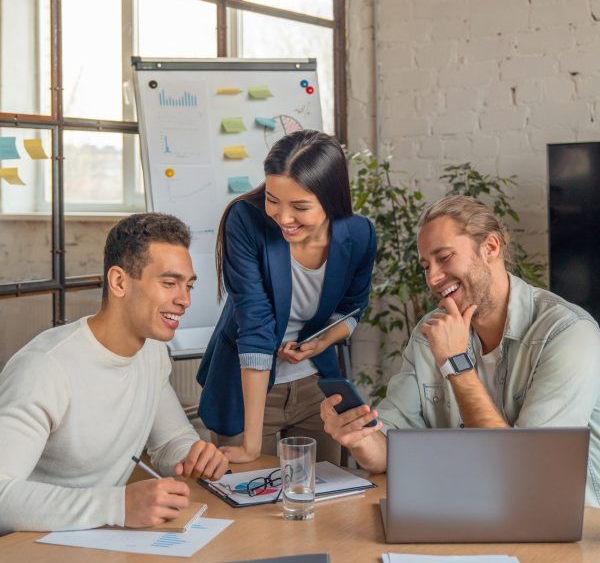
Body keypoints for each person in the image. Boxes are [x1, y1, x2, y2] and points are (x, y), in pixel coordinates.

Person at [320, 195, 600, 506]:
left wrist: (456, 364)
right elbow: (386, 452)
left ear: (490, 248)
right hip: (466, 509)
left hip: (555, 522)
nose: (433, 278)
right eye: (426, 265)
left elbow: (525, 472)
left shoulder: (568, 333)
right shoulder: (430, 333)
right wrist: (357, 435)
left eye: (444, 257)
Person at [0, 213, 229, 533]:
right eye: (169, 283)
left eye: (188, 285)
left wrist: (192, 455)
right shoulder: (45, 367)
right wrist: (116, 505)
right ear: (119, 282)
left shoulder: (152, 353)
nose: (184, 300)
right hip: (27, 546)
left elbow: (170, 442)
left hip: (95, 540)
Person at [197, 129, 377, 464]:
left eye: (300, 206)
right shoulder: (246, 222)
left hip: (315, 388)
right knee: (250, 503)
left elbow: (352, 307)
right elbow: (255, 326)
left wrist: (320, 342)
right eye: (273, 199)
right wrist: (251, 445)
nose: (283, 217)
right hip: (245, 389)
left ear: (332, 199)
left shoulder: (359, 233)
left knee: (323, 499)